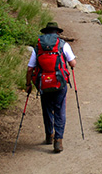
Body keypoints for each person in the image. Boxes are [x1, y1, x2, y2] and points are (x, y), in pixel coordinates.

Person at [26, 22, 76, 153]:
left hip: (43, 83)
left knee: (47, 108)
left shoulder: (38, 47)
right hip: (59, 82)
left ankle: (49, 135)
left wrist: (28, 84)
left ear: (45, 33)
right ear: (57, 32)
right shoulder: (63, 44)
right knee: (59, 110)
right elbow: (73, 63)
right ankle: (58, 141)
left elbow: (30, 68)